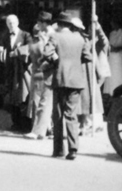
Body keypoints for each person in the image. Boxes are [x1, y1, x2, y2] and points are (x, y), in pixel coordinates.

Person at [44, 11, 92, 160]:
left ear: (58, 24)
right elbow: (87, 57)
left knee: (57, 115)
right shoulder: (80, 38)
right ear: (70, 25)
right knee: (71, 114)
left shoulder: (55, 36)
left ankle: (58, 150)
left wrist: (55, 59)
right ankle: (73, 149)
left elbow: (46, 52)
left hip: (60, 78)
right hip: (76, 80)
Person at [0, 14, 32, 132]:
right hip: (11, 71)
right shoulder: (5, 36)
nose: (11, 25)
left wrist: (18, 51)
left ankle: (25, 124)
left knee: (23, 96)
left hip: (22, 71)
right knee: (13, 97)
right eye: (9, 23)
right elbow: (2, 48)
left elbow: (31, 47)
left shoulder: (26, 35)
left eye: (13, 23)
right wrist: (0, 49)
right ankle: (15, 123)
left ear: (17, 23)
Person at [25, 12, 54, 140]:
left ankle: (38, 131)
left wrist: (43, 63)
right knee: (46, 102)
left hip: (47, 72)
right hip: (45, 71)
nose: (37, 26)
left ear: (43, 23)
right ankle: (48, 129)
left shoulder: (50, 35)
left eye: (38, 23)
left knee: (43, 102)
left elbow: (48, 53)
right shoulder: (45, 35)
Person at [104, 20, 122, 94]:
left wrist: (118, 48)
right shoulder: (111, 33)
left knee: (119, 73)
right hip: (112, 56)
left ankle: (120, 89)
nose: (113, 26)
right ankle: (111, 90)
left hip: (119, 56)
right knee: (112, 73)